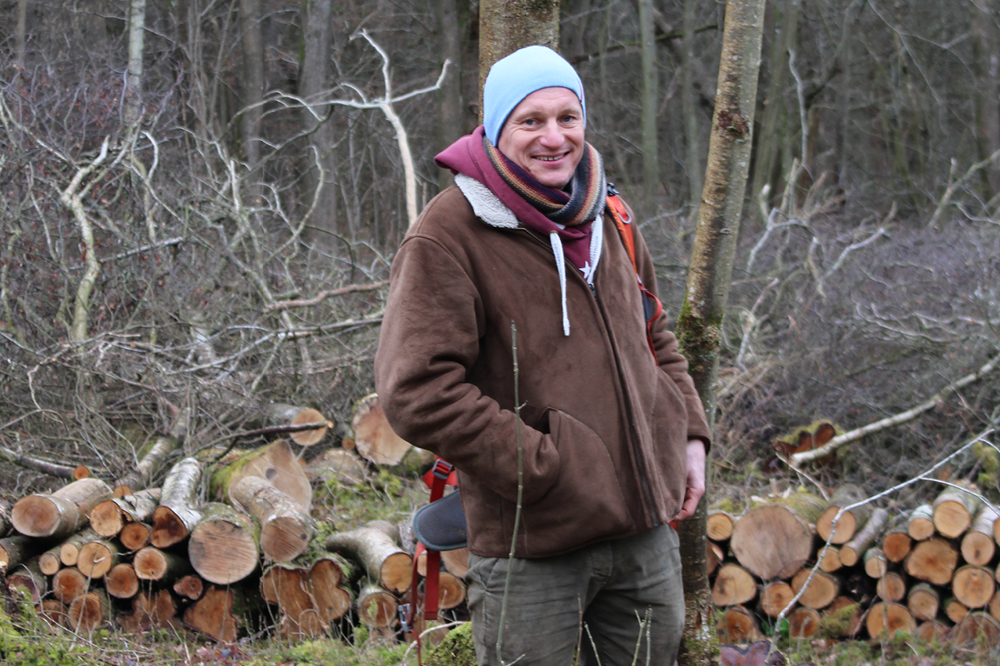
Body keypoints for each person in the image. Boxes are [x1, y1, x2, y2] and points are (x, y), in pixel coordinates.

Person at [374, 45, 711, 666]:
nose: (554, 138)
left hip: (644, 538)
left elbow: (654, 333)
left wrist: (686, 433)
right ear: (498, 130)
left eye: (567, 117)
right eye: (531, 121)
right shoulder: (449, 235)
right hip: (533, 547)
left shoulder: (609, 213)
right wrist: (544, 468)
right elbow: (416, 390)